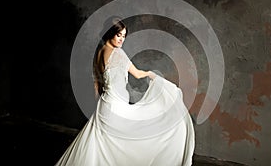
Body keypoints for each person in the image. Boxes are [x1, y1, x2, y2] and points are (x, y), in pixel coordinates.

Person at [55, 17, 195, 166]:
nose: (122, 40)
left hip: (104, 105)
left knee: (101, 145)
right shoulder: (118, 54)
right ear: (110, 33)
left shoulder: (99, 52)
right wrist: (151, 74)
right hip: (117, 106)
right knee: (130, 143)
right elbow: (137, 74)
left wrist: (97, 107)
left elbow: (96, 83)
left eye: (124, 36)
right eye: (119, 35)